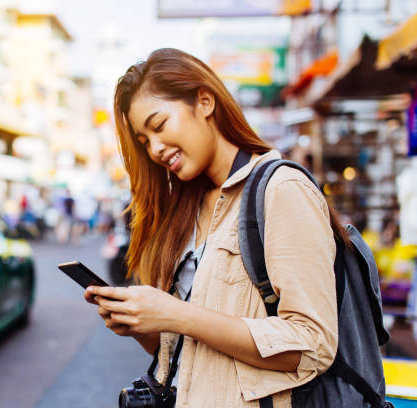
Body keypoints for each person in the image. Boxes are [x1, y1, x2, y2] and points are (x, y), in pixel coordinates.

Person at [85, 48, 346, 406]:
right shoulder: (183, 209)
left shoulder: (281, 190)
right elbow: (180, 352)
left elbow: (312, 345)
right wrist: (140, 324)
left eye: (159, 125)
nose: (155, 149)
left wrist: (176, 313)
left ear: (205, 101)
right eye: (144, 142)